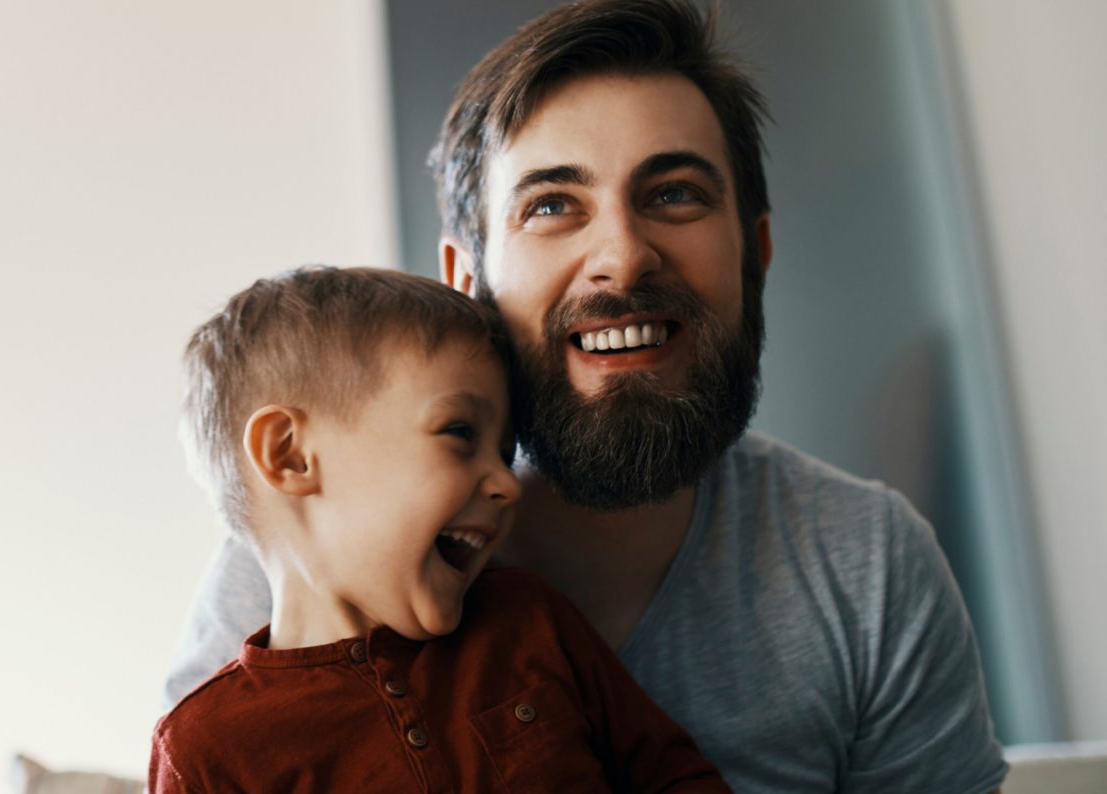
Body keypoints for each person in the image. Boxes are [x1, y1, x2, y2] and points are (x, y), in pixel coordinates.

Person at [163, 2, 1008, 792]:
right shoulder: (283, 576)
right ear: (466, 280)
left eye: (674, 193)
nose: (623, 256)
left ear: (754, 254)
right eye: (553, 205)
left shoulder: (868, 567)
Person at [151, 266, 728, 792]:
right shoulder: (206, 748)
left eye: (505, 452)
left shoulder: (530, 623)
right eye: (459, 433)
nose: (506, 482)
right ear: (292, 456)